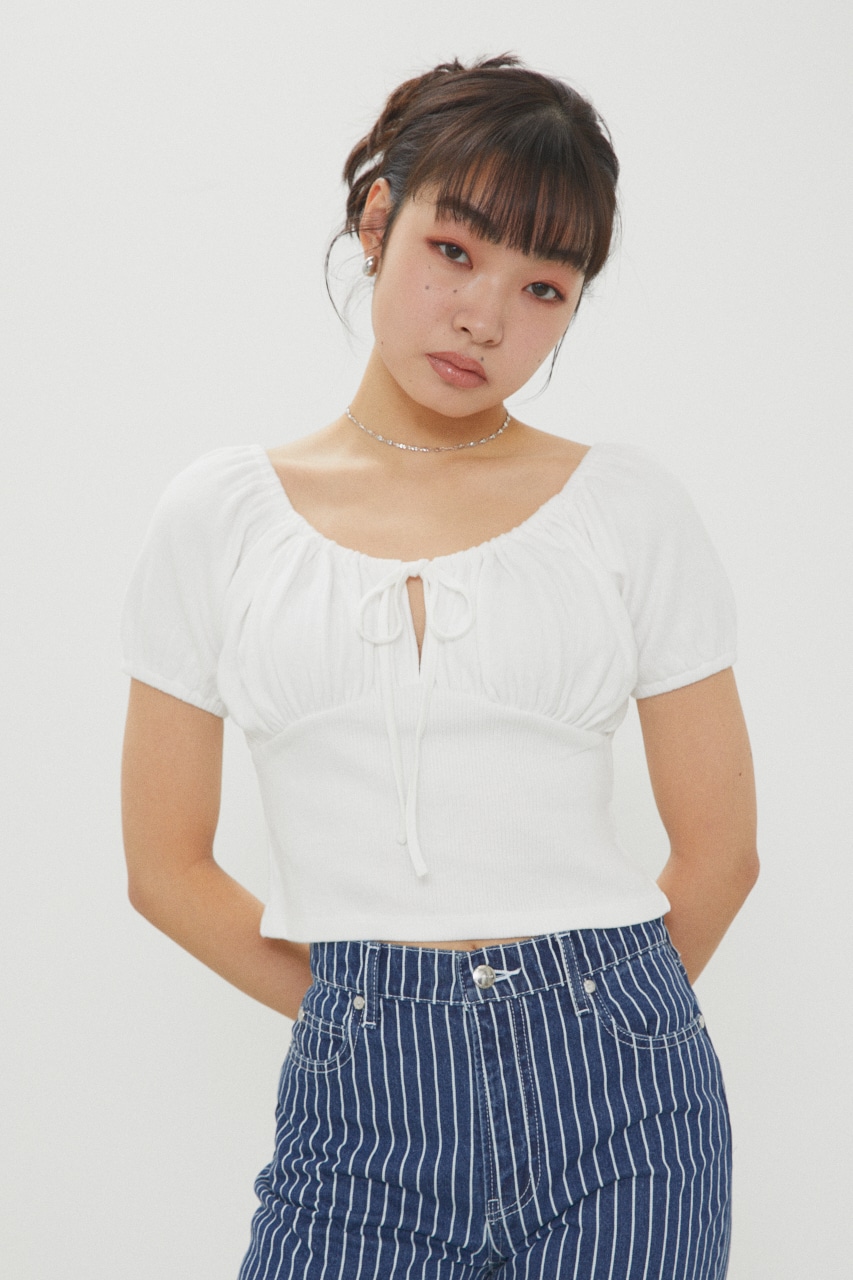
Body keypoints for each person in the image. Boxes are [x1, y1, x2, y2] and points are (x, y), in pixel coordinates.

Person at [120, 54, 758, 1280]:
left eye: (543, 287)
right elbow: (164, 866)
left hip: (625, 1105)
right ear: (377, 222)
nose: (484, 318)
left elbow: (721, 852)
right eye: (453, 251)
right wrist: (370, 1019)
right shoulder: (219, 515)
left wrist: (592, 1021)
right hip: (358, 1115)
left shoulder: (626, 508)